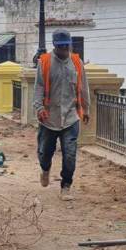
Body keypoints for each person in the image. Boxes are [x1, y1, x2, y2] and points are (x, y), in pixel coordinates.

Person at [33, 29, 90, 200]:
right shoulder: (44, 62)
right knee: (44, 152)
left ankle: (66, 186)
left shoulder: (77, 62)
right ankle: (45, 169)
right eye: (61, 47)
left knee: (70, 153)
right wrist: (39, 108)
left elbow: (83, 87)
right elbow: (38, 88)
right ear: (55, 46)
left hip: (71, 117)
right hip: (49, 117)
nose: (64, 49)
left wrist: (86, 109)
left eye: (67, 46)